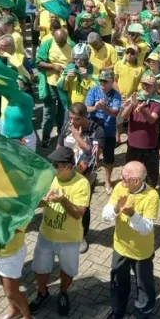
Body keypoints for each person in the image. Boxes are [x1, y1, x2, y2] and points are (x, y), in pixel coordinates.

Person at [31, 146, 91, 316]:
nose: (53, 167)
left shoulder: (82, 183)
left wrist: (63, 200)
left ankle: (63, 293)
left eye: (56, 164)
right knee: (40, 269)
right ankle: (42, 294)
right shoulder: (49, 177)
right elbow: (36, 203)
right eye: (52, 163)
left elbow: (78, 214)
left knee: (68, 270)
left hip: (70, 239)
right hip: (46, 235)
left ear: (68, 166)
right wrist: (43, 201)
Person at [102, 161, 160, 319]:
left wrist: (133, 214)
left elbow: (147, 228)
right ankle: (117, 311)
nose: (121, 178)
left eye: (125, 177)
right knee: (118, 283)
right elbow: (105, 216)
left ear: (137, 181)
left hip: (141, 252)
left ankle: (142, 314)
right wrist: (115, 209)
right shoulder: (120, 187)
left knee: (144, 287)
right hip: (120, 247)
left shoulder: (151, 196)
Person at [57, 102, 104, 253]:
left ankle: (81, 235)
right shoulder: (66, 127)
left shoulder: (97, 130)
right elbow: (59, 146)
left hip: (85, 176)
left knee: (82, 206)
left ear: (84, 117)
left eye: (76, 119)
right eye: (70, 118)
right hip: (64, 173)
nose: (72, 121)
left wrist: (77, 137)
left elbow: (94, 154)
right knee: (63, 201)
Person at [121, 75, 160, 188]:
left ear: (155, 87)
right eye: (143, 84)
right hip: (133, 145)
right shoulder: (135, 97)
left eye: (148, 85)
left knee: (151, 175)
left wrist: (142, 110)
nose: (145, 86)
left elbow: (151, 120)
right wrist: (131, 104)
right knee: (131, 172)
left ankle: (150, 195)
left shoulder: (158, 103)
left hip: (150, 146)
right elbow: (123, 115)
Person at [0, 221, 33, 319]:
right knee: (2, 282)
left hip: (11, 254)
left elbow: (18, 226)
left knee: (12, 292)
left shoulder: (17, 207)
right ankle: (14, 310)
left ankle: (28, 318)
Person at [85, 69, 122, 194]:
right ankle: (87, 179)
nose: (102, 83)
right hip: (93, 129)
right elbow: (86, 108)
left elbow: (115, 112)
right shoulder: (93, 91)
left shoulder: (116, 95)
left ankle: (107, 181)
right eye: (101, 80)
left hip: (108, 130)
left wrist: (104, 108)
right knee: (89, 156)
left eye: (105, 81)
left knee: (109, 159)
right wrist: (95, 107)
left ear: (112, 82)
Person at [36, 28, 73, 147]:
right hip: (51, 84)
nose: (61, 45)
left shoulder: (72, 45)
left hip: (66, 85)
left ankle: (61, 136)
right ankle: (45, 137)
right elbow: (38, 62)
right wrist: (53, 66)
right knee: (48, 112)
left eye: (63, 42)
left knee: (63, 111)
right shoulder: (47, 44)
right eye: (59, 43)